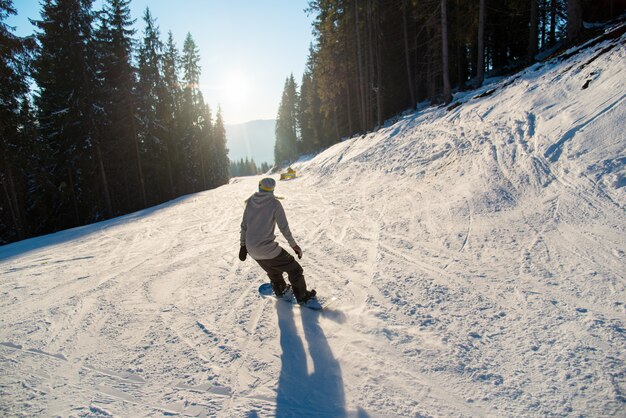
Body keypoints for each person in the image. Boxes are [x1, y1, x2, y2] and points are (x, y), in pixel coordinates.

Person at [239, 177, 316, 304]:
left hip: (251, 249)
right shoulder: (275, 204)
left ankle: (281, 289)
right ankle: (302, 297)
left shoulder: (250, 201)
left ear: (259, 187)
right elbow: (284, 228)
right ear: (272, 190)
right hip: (267, 249)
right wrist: (294, 246)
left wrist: (242, 246)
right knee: (295, 269)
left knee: (272, 268)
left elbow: (244, 226)